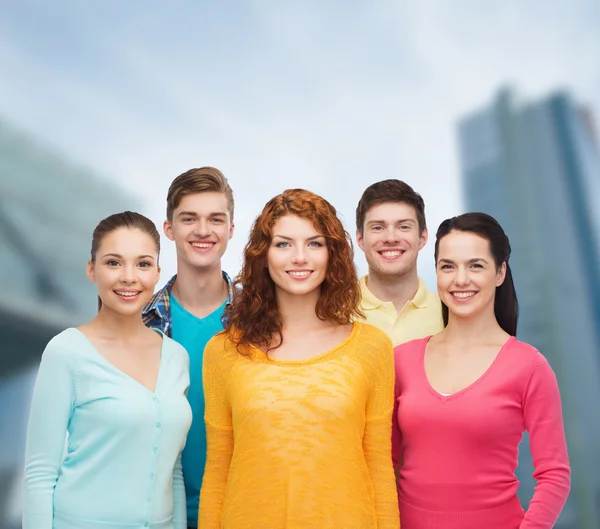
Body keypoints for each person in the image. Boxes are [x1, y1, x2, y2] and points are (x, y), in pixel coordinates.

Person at [199, 189, 399, 528]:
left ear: (332, 254)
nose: (300, 257)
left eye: (315, 243)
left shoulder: (372, 348)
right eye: (283, 244)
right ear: (263, 256)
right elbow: (218, 471)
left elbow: (379, 469)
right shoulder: (223, 352)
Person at [392, 212, 571, 528]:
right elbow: (384, 462)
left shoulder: (529, 367)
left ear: (500, 272)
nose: (460, 279)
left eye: (475, 265)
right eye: (448, 266)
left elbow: (554, 475)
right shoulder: (401, 361)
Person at [23, 211, 192, 529]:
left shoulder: (177, 358)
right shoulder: (67, 352)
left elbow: (174, 470)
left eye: (142, 264)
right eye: (113, 262)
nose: (129, 277)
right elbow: (40, 473)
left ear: (157, 272)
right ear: (92, 270)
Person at [142, 167, 234, 529]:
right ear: (169, 229)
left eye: (215, 219)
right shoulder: (140, 321)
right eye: (188, 218)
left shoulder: (263, 324)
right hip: (155, 515)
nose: (202, 230)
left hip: (240, 511)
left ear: (230, 229)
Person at [355, 179, 443, 345]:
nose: (391, 238)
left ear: (422, 238)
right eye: (377, 227)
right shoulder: (334, 313)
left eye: (403, 227)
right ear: (360, 239)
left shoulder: (449, 314)